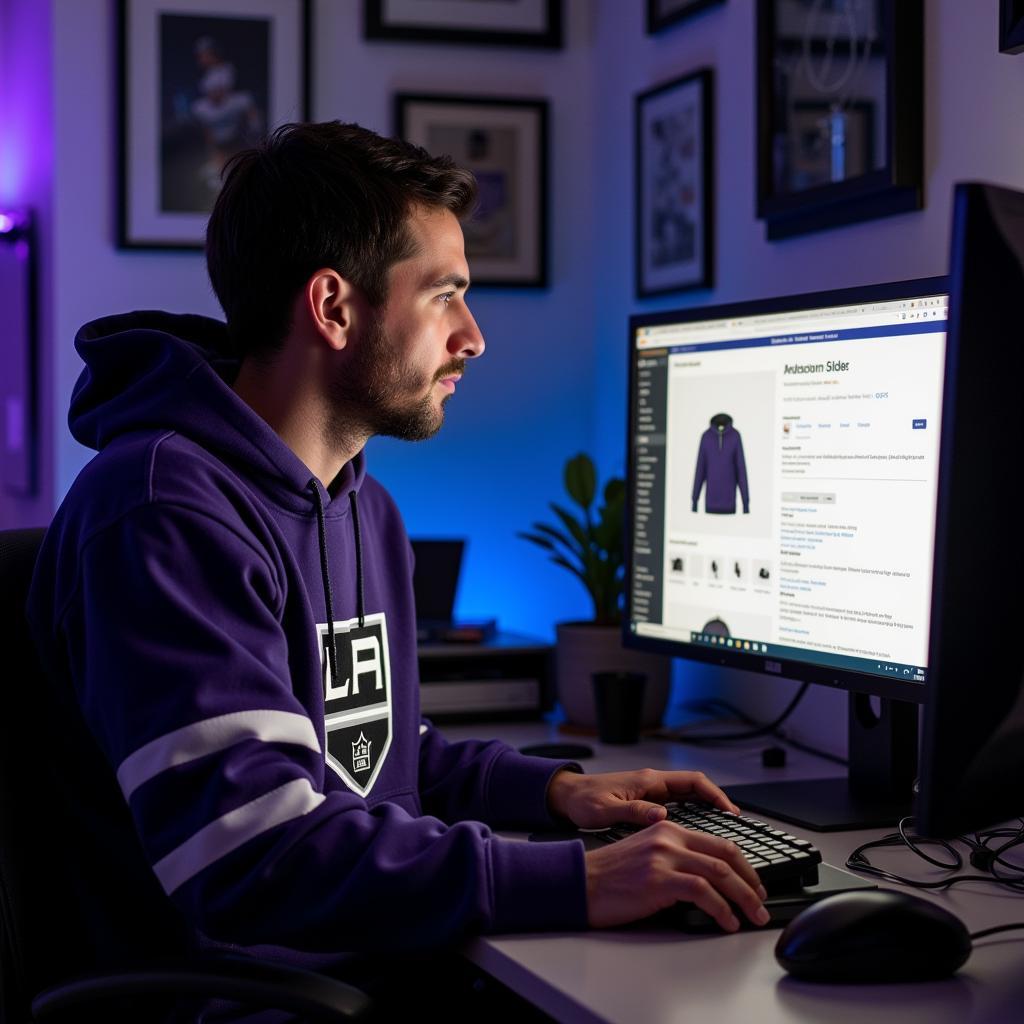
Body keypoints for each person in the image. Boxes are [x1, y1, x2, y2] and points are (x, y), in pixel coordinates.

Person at [27, 121, 768, 1019]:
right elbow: (249, 854)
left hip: (361, 966)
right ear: (334, 308)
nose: (474, 337)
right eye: (445, 295)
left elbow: (369, 756)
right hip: (241, 1001)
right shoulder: (160, 512)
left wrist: (552, 790)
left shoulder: (362, 507)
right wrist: (573, 879)